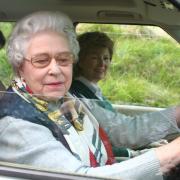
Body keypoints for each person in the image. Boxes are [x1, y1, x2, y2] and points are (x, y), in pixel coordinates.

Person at [0, 11, 180, 180]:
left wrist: (177, 115)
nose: (55, 70)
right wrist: (171, 154)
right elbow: (81, 177)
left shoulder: (68, 100)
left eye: (63, 59)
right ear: (19, 67)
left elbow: (123, 130)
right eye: (41, 61)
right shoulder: (16, 125)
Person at [70, 31, 115, 112]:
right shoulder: (77, 93)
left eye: (105, 58)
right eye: (94, 58)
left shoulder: (93, 90)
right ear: (80, 61)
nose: (102, 64)